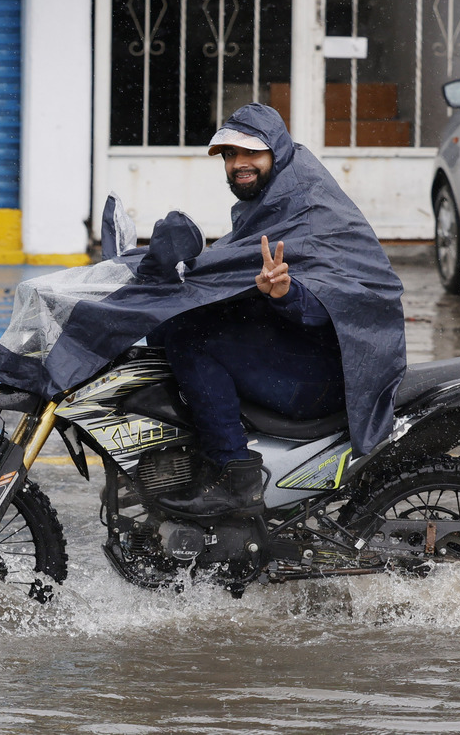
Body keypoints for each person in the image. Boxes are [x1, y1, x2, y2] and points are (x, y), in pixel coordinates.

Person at [148, 105, 406, 519]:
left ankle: (236, 476)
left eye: (251, 152)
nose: (239, 163)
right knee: (182, 320)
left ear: (277, 151)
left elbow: (342, 301)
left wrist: (287, 294)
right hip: (302, 351)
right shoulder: (272, 201)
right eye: (230, 154)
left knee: (189, 340)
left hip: (332, 375)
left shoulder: (305, 204)